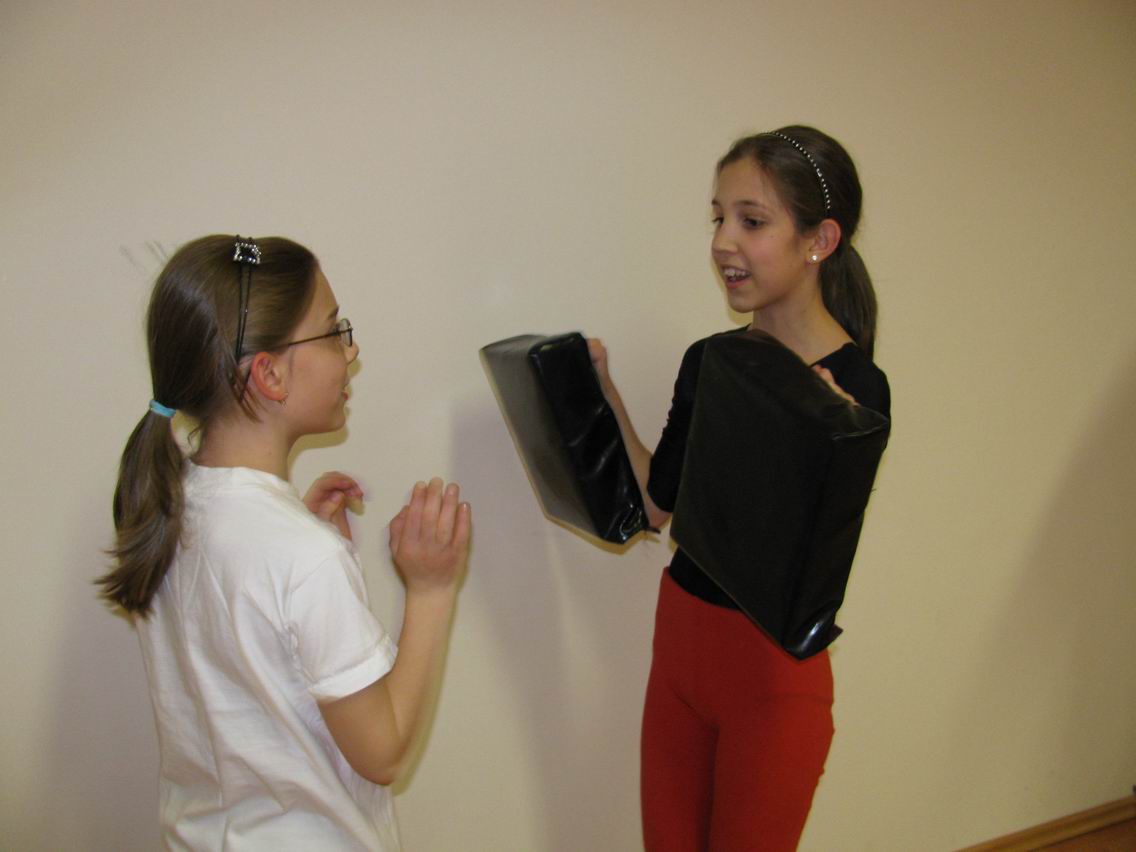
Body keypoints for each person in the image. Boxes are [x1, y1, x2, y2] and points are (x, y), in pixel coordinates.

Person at [97, 234, 470, 850]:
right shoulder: (301, 557)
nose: (351, 350)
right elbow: (384, 752)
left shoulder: (171, 503)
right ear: (269, 373)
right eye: (334, 330)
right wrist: (431, 590)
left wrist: (300, 528)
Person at [590, 126, 891, 851]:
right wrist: (602, 392)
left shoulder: (856, 390)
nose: (724, 241)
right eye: (719, 217)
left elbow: (814, 562)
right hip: (682, 643)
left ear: (819, 240)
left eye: (751, 221)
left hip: (771, 679)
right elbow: (657, 506)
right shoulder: (710, 360)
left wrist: (820, 429)